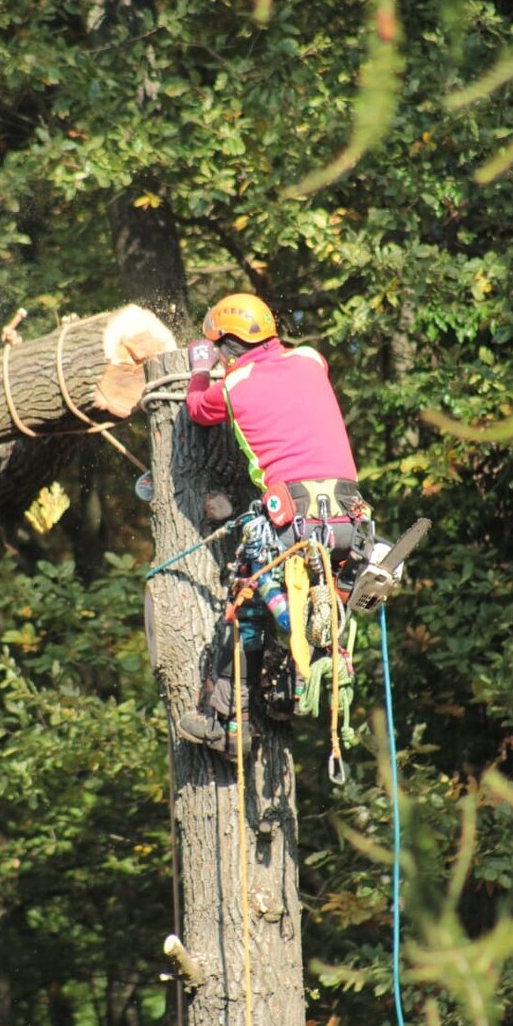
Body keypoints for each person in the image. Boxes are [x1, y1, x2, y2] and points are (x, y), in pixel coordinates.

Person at [176, 292, 371, 760]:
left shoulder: (232, 384)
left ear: (225, 346)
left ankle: (225, 721)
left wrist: (202, 367)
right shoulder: (310, 358)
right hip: (349, 517)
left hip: (295, 519)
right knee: (314, 600)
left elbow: (198, 409)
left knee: (248, 598)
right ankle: (285, 691)